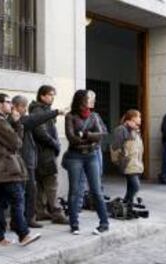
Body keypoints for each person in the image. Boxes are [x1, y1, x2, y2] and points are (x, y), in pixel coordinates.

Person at [0, 93, 40, 246]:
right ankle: (23, 234)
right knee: (18, 201)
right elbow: (17, 143)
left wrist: (13, 123)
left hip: (4, 168)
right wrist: (18, 123)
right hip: (7, 169)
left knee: (2, 203)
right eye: (7, 102)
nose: (11, 105)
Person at [9, 95, 66, 228]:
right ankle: (25, 220)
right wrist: (56, 112)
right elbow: (37, 119)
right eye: (23, 106)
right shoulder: (18, 120)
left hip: (27, 160)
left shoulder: (19, 120)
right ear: (16, 107)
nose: (25, 109)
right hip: (23, 162)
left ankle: (22, 220)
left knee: (26, 192)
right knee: (27, 192)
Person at [63, 89, 109, 235]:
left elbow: (102, 134)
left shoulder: (95, 116)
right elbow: (72, 138)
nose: (92, 100)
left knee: (96, 190)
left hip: (92, 156)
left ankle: (104, 222)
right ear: (81, 100)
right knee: (75, 191)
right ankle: (74, 223)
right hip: (75, 156)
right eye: (88, 98)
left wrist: (85, 134)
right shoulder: (70, 116)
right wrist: (91, 139)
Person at [29, 85, 68, 224]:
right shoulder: (38, 110)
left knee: (41, 184)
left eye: (53, 95)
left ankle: (40, 211)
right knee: (52, 183)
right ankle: (57, 213)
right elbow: (41, 132)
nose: (52, 97)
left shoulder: (43, 109)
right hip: (44, 152)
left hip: (43, 152)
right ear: (42, 96)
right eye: (50, 95)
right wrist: (55, 144)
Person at [77, 90, 108, 211]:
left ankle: (94, 203)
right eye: (91, 98)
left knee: (97, 177)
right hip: (82, 151)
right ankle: (77, 205)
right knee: (81, 179)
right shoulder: (74, 115)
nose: (93, 101)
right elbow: (77, 135)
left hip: (96, 149)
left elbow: (103, 131)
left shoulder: (95, 115)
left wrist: (88, 135)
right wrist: (92, 135)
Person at [111, 110, 144, 205]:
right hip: (128, 163)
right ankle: (126, 202)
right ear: (130, 119)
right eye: (138, 117)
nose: (140, 119)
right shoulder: (122, 130)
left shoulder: (135, 131)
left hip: (136, 163)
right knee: (135, 186)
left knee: (131, 186)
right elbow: (115, 147)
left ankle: (127, 203)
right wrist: (119, 160)